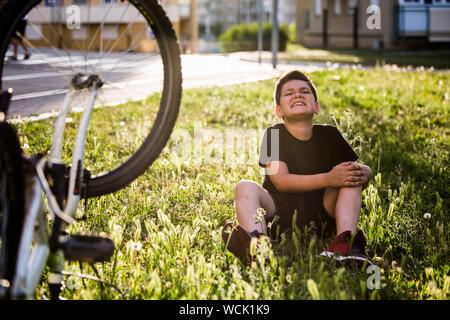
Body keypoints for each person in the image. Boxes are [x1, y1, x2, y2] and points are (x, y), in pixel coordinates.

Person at [222, 70, 373, 266]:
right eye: (289, 93)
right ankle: (258, 246)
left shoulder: (330, 135)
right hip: (278, 212)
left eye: (304, 91)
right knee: (244, 186)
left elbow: (352, 171)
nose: (297, 95)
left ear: (317, 107)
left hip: (324, 211)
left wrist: (364, 172)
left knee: (350, 178)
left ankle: (346, 244)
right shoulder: (273, 135)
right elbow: (281, 181)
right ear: (279, 111)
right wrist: (329, 178)